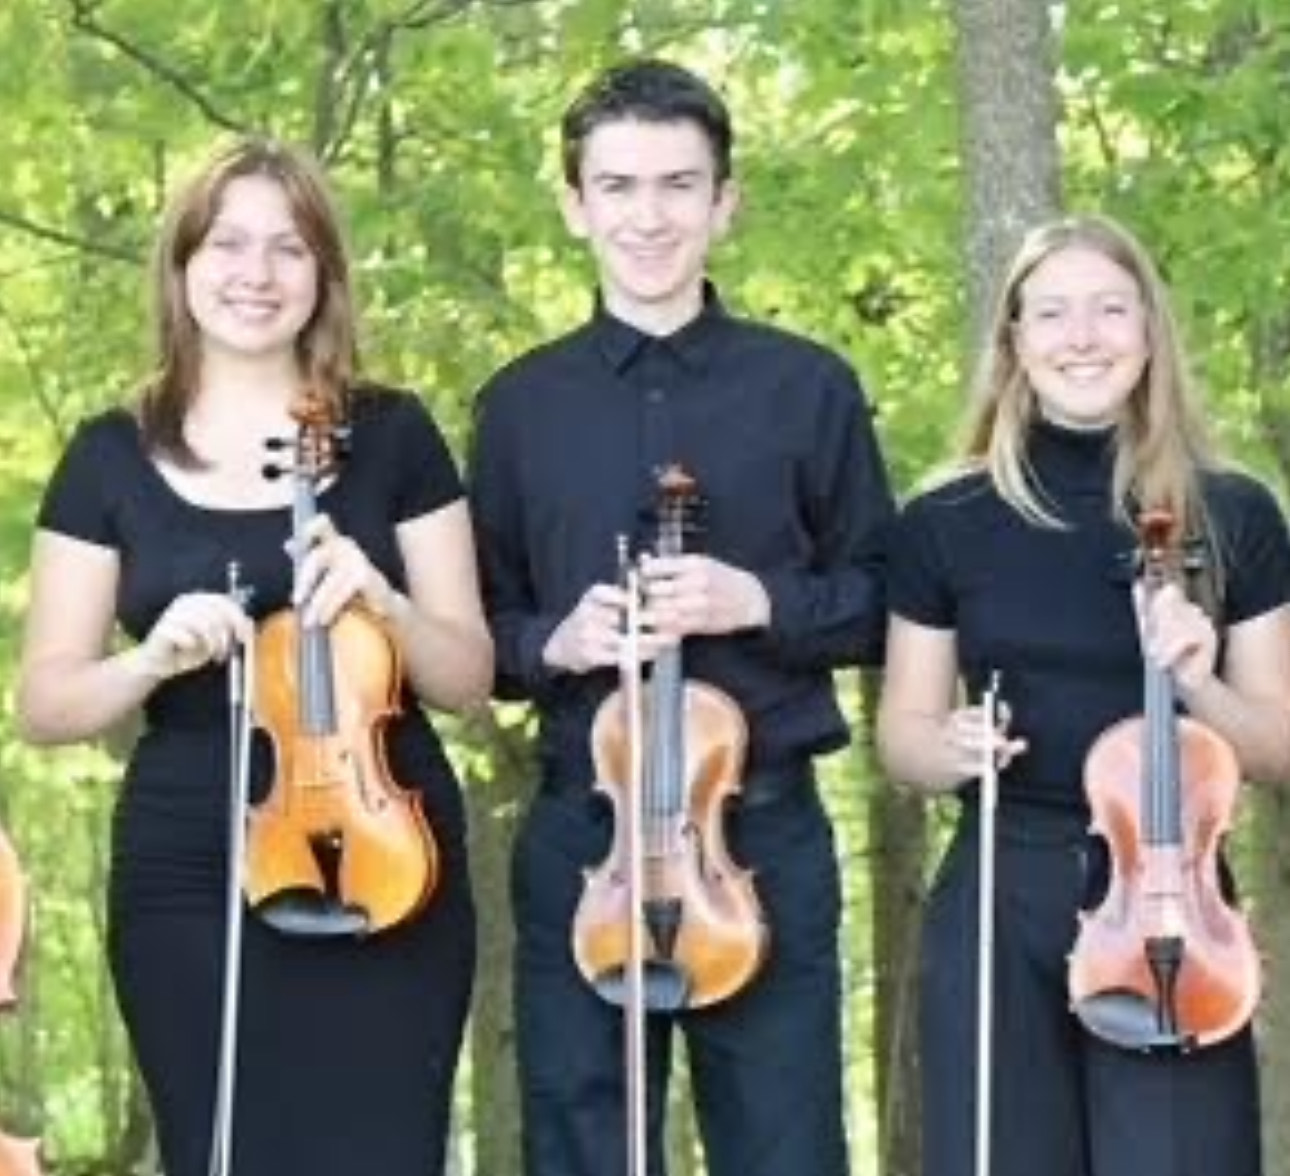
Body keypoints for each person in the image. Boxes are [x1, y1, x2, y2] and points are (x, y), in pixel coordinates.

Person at [15, 137, 492, 1176]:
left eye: (288, 248)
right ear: (182, 265)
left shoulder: (397, 436)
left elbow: (467, 680)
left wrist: (386, 603)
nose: (256, 274)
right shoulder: (109, 457)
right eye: (227, 244)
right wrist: (149, 664)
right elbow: (45, 703)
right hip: (189, 858)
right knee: (221, 1150)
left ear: (323, 272)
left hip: (388, 850)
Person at [468, 57, 892, 1176]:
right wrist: (550, 642)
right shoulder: (516, 408)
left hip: (763, 837)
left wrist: (761, 601)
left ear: (724, 201)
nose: (647, 216)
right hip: (584, 838)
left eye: (676, 184)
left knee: (787, 1148)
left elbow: (885, 604)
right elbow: (476, 632)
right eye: (617, 186)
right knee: (582, 1145)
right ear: (574, 204)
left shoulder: (811, 388)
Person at [877, 212, 1290, 1176]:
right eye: (1052, 313)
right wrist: (952, 748)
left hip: (1175, 899)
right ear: (1013, 341)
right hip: (997, 885)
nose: (1083, 337)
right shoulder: (946, 517)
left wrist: (1200, 687)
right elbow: (903, 731)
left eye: (1111, 309)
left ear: (1151, 332)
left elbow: (1277, 746)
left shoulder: (1234, 514)